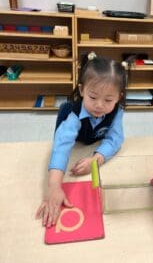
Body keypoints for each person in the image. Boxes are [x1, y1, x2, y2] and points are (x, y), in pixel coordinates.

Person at [36, 51, 127, 227]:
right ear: (81, 90)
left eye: (108, 100)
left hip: (91, 148)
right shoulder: (73, 115)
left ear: (119, 97)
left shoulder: (117, 111)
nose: (99, 105)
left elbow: (115, 139)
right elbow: (61, 147)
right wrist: (54, 186)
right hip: (75, 147)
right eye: (93, 97)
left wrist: (97, 159)